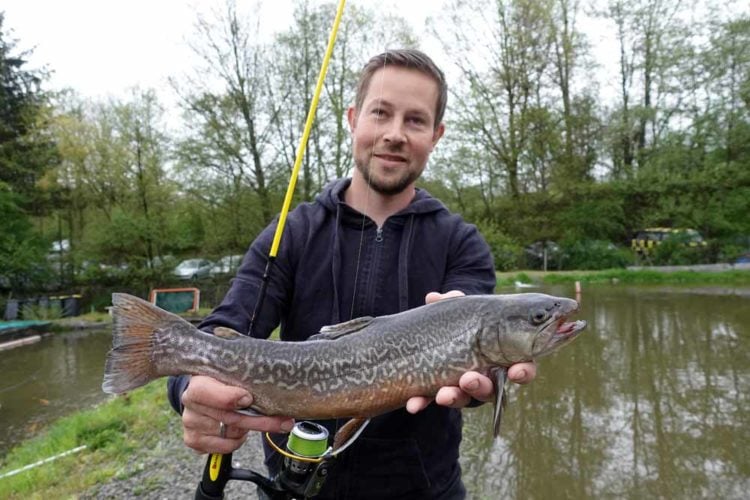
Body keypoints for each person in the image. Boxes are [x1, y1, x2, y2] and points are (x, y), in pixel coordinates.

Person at [167, 48, 536, 499]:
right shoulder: (292, 233)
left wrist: (479, 385)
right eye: (381, 113)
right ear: (353, 118)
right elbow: (223, 330)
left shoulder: (461, 242)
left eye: (415, 121)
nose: (395, 135)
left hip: (425, 490)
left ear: (436, 135)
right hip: (297, 489)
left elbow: (479, 369)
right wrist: (188, 389)